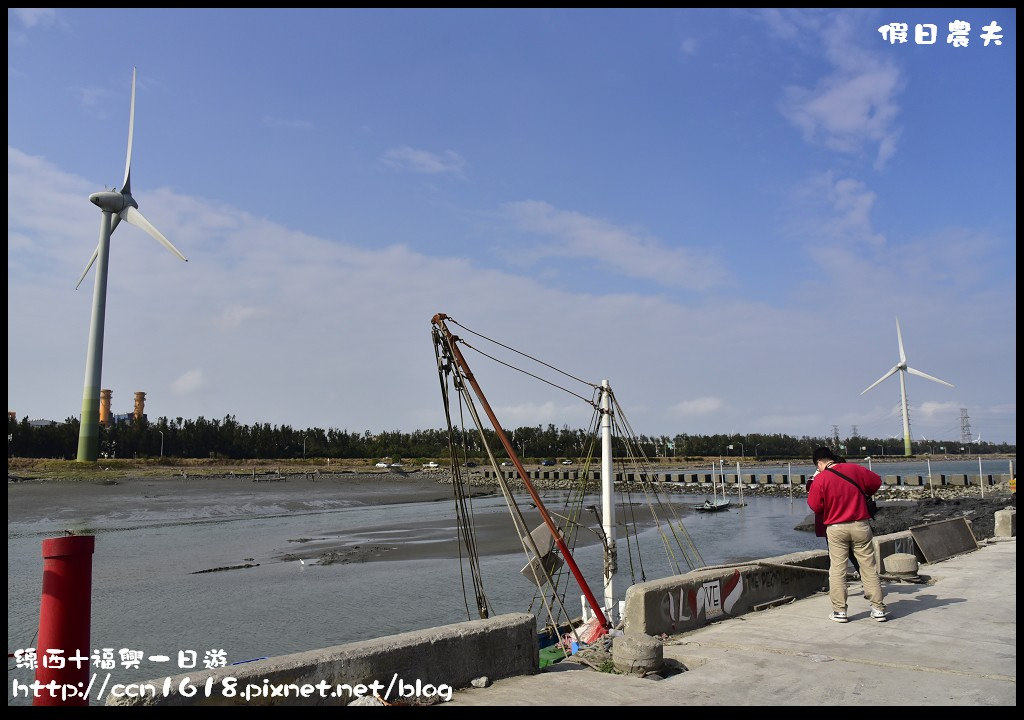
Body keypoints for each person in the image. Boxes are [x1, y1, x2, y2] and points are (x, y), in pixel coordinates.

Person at [807, 447, 887, 623]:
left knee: (837, 570)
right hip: (860, 525)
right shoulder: (855, 469)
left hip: (836, 527)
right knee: (868, 568)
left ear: (819, 462)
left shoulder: (821, 478)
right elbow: (875, 482)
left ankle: (840, 611)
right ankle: (878, 609)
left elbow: (815, 506)